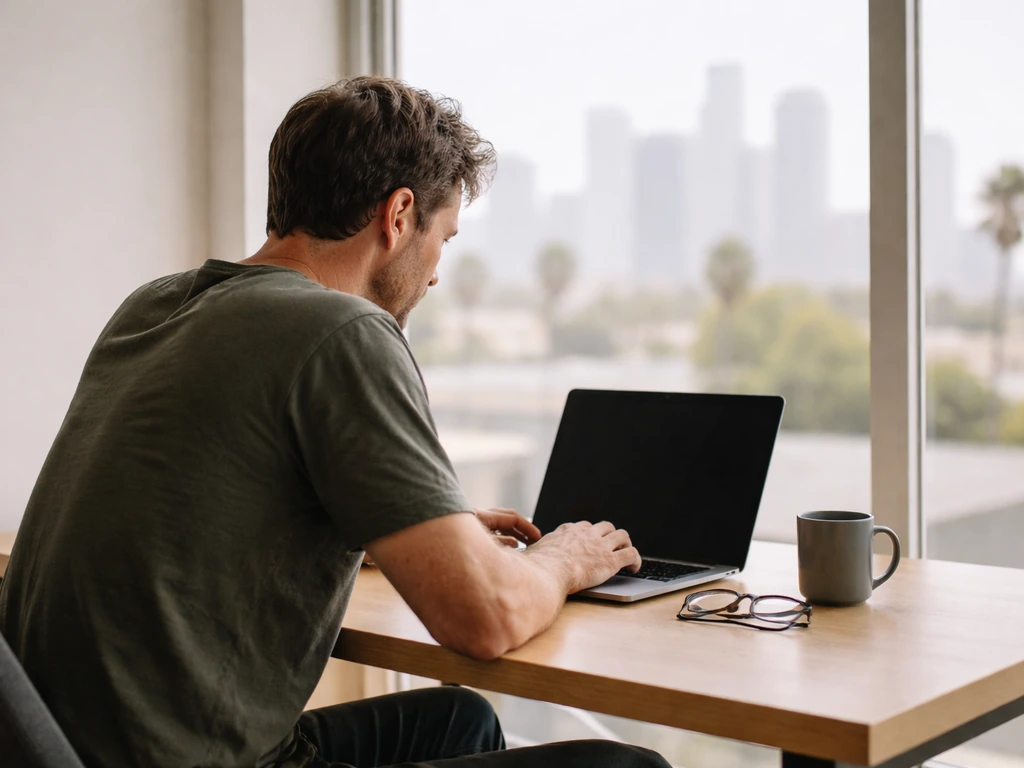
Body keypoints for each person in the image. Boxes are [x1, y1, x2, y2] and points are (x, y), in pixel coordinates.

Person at [0, 77, 671, 768]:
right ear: (400, 214)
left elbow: (199, 502)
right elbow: (486, 618)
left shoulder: (157, 305)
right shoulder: (343, 330)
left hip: (70, 748)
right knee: (628, 767)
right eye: (445, 236)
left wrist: (412, 530)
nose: (437, 274)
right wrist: (564, 559)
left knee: (460, 720)